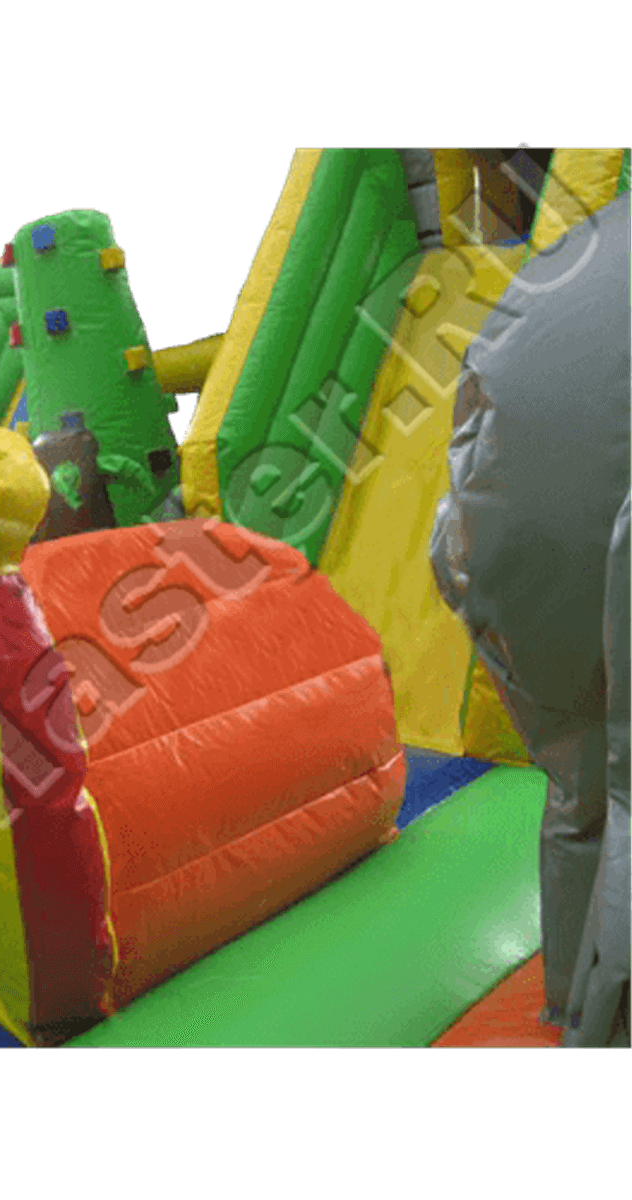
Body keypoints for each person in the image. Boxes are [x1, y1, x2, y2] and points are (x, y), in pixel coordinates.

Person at [428, 188, 630, 1048]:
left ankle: (575, 1001)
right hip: (563, 544)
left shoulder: (573, 259)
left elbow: (471, 453)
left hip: (509, 564)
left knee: (585, 790)